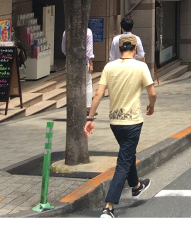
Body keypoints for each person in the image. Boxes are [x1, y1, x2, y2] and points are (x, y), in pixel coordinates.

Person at [85, 35, 155, 218]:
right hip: (132, 122)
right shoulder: (141, 67)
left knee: (127, 152)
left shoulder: (109, 67)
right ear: (135, 46)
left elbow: (98, 94)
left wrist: (90, 118)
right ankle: (108, 207)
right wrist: (151, 105)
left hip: (115, 122)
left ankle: (137, 186)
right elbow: (152, 92)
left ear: (119, 48)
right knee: (124, 161)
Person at [62, 27, 95, 111]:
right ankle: (88, 107)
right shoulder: (88, 31)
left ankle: (73, 107)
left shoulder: (66, 31)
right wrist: (91, 63)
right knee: (87, 84)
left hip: (71, 62)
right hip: (84, 62)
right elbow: (89, 51)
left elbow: (63, 48)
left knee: (72, 84)